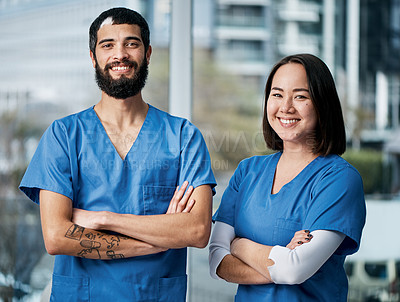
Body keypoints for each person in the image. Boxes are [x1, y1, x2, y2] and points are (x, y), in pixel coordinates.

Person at [19, 7, 216, 301]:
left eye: (131, 43)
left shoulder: (184, 137)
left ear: (147, 53)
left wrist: (103, 219)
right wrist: (158, 241)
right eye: (107, 44)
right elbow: (57, 236)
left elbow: (197, 230)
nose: (120, 54)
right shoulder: (64, 135)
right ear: (93, 56)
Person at [209, 53, 366, 301]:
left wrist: (238, 245)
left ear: (322, 104)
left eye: (301, 96)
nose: (286, 107)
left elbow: (294, 270)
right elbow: (218, 262)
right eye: (277, 94)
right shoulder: (247, 171)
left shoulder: (339, 180)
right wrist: (280, 258)